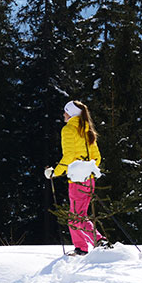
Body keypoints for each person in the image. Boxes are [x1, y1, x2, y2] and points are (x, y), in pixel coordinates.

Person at [45, 99, 106, 255]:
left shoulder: (68, 130)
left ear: (70, 114)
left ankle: (95, 243)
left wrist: (55, 172)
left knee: (75, 218)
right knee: (78, 216)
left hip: (77, 180)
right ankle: (84, 247)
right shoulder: (88, 129)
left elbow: (69, 156)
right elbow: (97, 158)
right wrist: (87, 168)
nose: (63, 114)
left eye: (65, 112)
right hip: (89, 178)